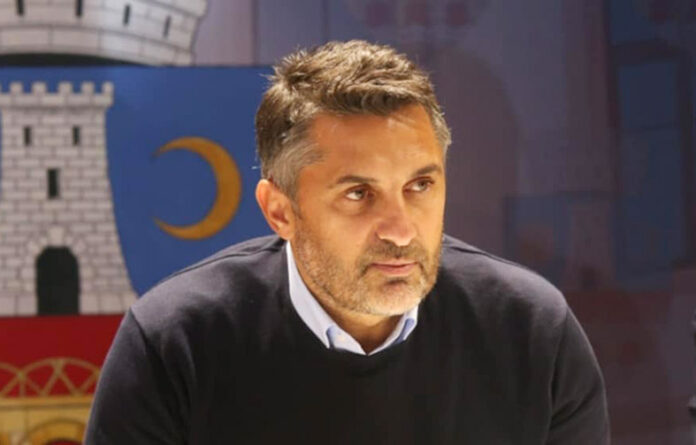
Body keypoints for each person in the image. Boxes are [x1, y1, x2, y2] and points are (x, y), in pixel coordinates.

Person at [85, 40, 609, 444]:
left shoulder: (534, 332)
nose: (401, 230)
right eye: (359, 194)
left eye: (419, 186)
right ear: (279, 211)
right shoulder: (174, 344)